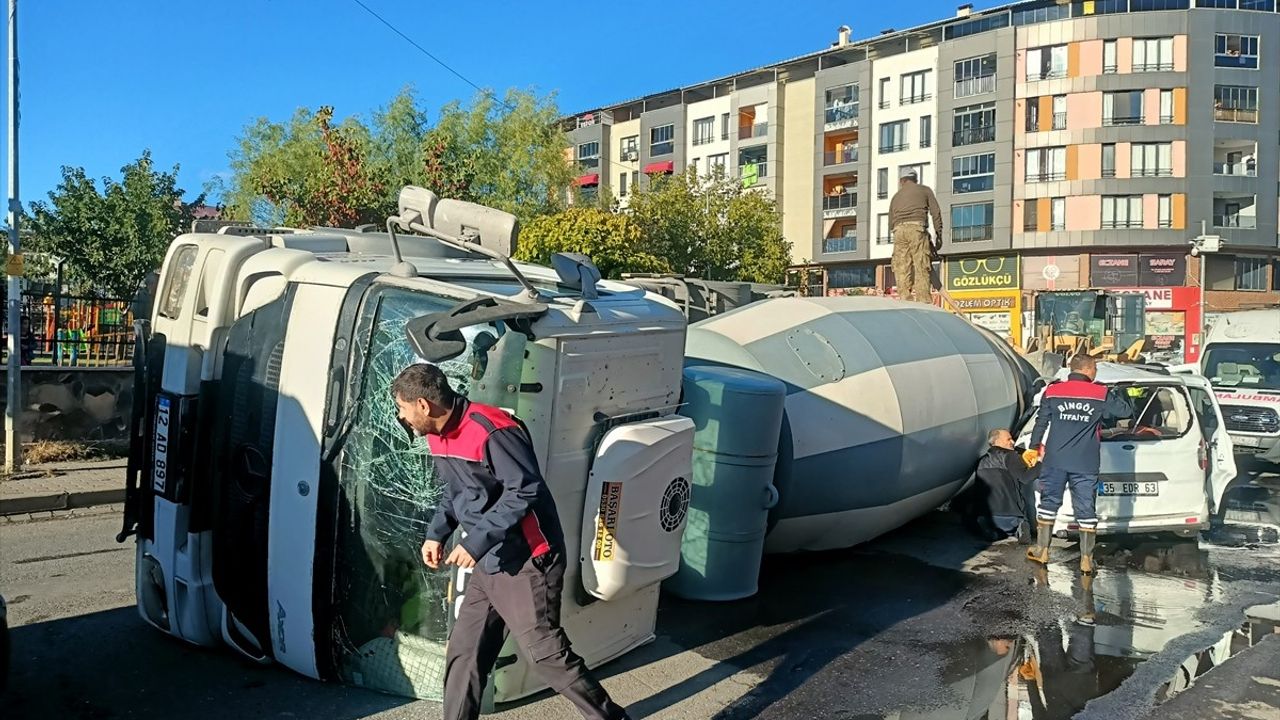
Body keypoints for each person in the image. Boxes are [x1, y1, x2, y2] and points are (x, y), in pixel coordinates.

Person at [392, 363, 630, 720]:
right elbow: (456, 490)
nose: (402, 417)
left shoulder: (492, 431)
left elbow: (526, 490)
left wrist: (475, 543)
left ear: (424, 405)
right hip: (490, 562)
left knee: (546, 654)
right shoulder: (435, 435)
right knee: (466, 653)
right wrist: (437, 533)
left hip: (528, 561)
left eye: (403, 409)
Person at [1024, 355, 1132, 572]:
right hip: (1085, 462)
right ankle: (1086, 559)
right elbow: (1125, 412)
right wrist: (1118, 392)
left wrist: (1033, 447)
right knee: (1086, 509)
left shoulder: (1053, 391)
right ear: (1089, 370)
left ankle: (1043, 551)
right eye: (1095, 369)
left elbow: (1041, 421)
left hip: (1055, 459)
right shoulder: (1100, 394)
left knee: (1048, 504)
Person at [888, 168, 943, 304]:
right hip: (917, 228)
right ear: (916, 179)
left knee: (901, 266)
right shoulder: (925, 190)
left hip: (898, 230)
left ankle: (905, 300)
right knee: (921, 264)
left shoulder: (896, 197)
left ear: (902, 181)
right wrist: (938, 234)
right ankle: (923, 301)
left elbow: (890, 222)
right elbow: (935, 212)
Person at [976, 428, 1039, 543]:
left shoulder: (981, 462)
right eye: (1009, 439)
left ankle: (992, 531)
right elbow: (1026, 478)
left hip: (988, 516)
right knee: (1021, 528)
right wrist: (1041, 463)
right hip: (1012, 517)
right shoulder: (1010, 456)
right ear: (997, 441)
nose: (1013, 442)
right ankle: (1019, 529)